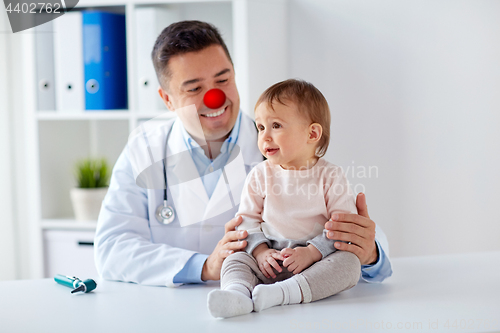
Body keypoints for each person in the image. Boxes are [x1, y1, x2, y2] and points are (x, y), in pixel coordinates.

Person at [94, 20, 392, 288]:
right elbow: (112, 248)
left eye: (223, 80)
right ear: (167, 99)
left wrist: (371, 252)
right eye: (195, 88)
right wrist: (205, 267)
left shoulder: (284, 143)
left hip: (276, 306)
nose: (216, 98)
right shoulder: (145, 147)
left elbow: (355, 238)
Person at [207, 79, 361, 318]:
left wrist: (311, 253)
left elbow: (342, 227)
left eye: (276, 125)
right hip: (268, 257)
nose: (265, 137)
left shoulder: (331, 176)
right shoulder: (260, 174)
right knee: (235, 258)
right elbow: (246, 220)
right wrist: (259, 253)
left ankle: (283, 293)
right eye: (260, 128)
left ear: (312, 133)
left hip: (313, 263)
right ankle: (237, 294)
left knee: (349, 264)